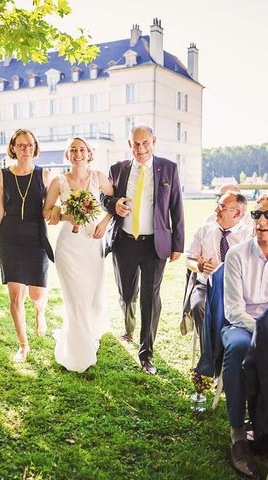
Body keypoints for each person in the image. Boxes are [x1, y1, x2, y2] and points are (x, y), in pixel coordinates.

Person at [101, 124, 184, 375]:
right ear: (129, 145)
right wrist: (115, 204)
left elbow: (176, 207)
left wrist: (177, 244)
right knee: (127, 295)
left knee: (150, 297)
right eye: (135, 144)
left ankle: (146, 353)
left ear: (153, 142)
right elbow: (103, 198)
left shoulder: (168, 168)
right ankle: (129, 326)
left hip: (154, 245)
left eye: (145, 143)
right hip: (124, 241)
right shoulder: (118, 170)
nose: (140, 149)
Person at [222, 192, 268, 478]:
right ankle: (239, 435)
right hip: (241, 325)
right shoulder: (236, 254)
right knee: (238, 348)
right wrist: (261, 331)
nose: (261, 221)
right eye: (257, 214)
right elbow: (233, 310)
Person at [0, 129, 53, 362]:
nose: (26, 150)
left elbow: (51, 207)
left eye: (29, 145)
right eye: (21, 145)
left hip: (36, 239)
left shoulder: (44, 174)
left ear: (35, 147)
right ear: (12, 147)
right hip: (10, 239)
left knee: (36, 294)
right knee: (15, 296)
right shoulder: (2, 175)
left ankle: (40, 311)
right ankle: (23, 345)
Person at [43, 137, 113, 372]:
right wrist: (63, 216)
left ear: (89, 154)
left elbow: (114, 203)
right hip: (68, 247)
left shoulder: (99, 177)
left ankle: (88, 332)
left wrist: (104, 222)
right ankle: (77, 349)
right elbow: (46, 211)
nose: (77, 153)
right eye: (73, 150)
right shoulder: (58, 181)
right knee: (74, 297)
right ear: (67, 155)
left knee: (91, 295)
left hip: (92, 242)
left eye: (82, 149)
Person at [183, 192, 251, 337]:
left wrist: (221, 270)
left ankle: (223, 349)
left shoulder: (249, 236)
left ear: (237, 213)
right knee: (198, 305)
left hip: (237, 289)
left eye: (222, 207)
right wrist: (198, 267)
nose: (216, 211)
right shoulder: (204, 230)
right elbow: (189, 259)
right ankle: (208, 352)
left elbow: (249, 269)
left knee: (236, 311)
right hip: (206, 286)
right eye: (217, 205)